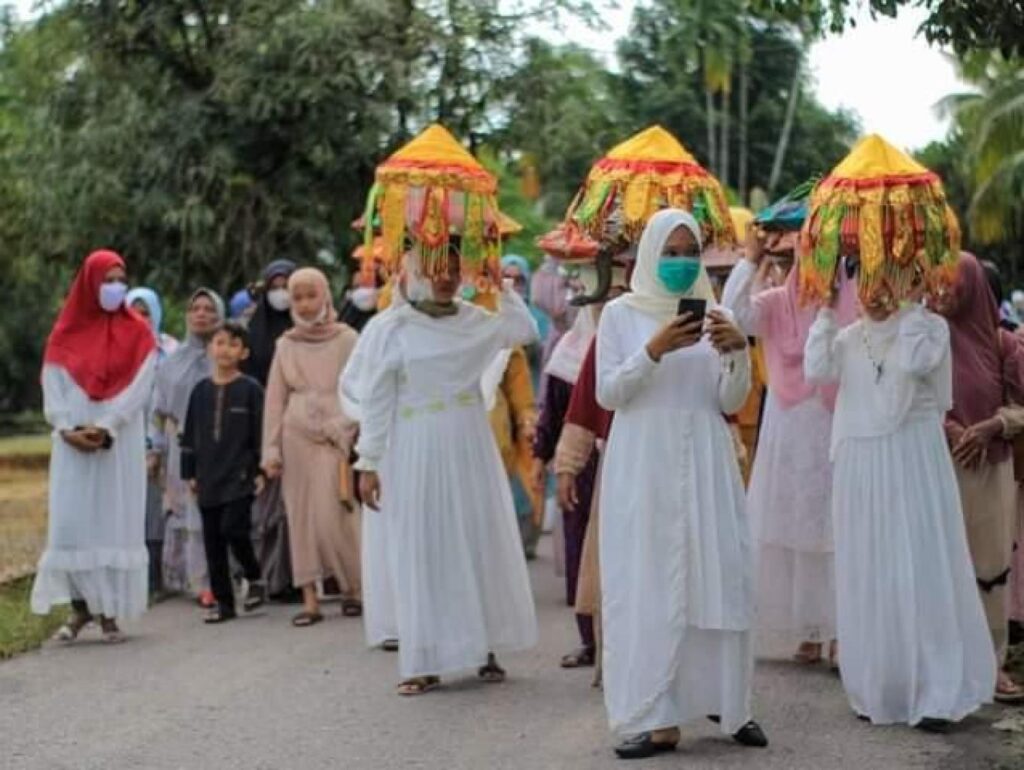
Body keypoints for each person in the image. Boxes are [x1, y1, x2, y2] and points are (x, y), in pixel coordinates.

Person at [596, 209, 766, 760]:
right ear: (647, 254)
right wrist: (654, 349)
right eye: (668, 251)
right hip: (644, 462)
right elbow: (608, 394)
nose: (679, 262)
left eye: (688, 250)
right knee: (650, 579)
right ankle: (656, 717)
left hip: (707, 461)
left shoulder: (715, 312)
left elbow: (729, 401)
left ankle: (729, 703)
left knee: (719, 574)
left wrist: (739, 351)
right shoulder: (621, 314)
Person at [344, 245, 539, 695]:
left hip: (469, 442)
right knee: (423, 545)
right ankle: (423, 658)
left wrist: (501, 286)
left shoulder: (473, 319)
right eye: (436, 269)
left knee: (476, 538)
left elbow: (523, 331)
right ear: (414, 273)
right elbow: (376, 397)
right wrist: (368, 461)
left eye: (454, 269)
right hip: (416, 445)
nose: (447, 277)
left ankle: (485, 645)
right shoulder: (391, 326)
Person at [804, 279, 996, 730]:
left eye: (887, 277)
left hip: (914, 463)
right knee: (872, 569)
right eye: (866, 280)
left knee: (921, 565)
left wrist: (911, 307)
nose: (874, 292)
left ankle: (935, 690)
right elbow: (815, 369)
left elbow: (914, 363)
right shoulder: (848, 337)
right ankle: (883, 684)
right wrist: (828, 311)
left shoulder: (929, 329)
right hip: (860, 464)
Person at [722, 227, 858, 666]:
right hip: (787, 426)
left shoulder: (850, 303)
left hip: (834, 424)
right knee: (794, 527)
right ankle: (808, 630)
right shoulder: (778, 301)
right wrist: (749, 258)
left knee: (834, 530)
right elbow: (733, 314)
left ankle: (840, 630)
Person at [32, 250, 157, 643]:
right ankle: (79, 607)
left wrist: (106, 427)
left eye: (121, 279)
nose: (115, 287)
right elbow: (53, 386)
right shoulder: (64, 333)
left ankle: (108, 614)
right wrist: (68, 428)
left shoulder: (139, 333)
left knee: (112, 521)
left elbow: (140, 387)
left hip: (116, 444)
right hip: (72, 444)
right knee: (73, 523)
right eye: (107, 279)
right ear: (89, 283)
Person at [931, 253, 1024, 703]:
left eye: (952, 284)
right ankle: (946, 665)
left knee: (990, 568)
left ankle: (992, 665)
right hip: (941, 465)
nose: (942, 292)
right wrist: (951, 430)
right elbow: (917, 399)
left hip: (992, 468)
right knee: (944, 565)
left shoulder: (1003, 345)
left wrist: (991, 427)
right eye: (937, 283)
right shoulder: (927, 340)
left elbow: (1022, 407)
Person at [534, 262, 628, 670]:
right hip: (583, 463)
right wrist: (545, 458)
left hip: (624, 456)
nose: (609, 307)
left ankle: (624, 638)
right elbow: (556, 413)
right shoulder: (569, 351)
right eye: (603, 300)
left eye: (617, 299)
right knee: (582, 548)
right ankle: (589, 637)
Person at [262, 267, 363, 626]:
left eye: (311, 296)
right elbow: (275, 400)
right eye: (298, 298)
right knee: (300, 516)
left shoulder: (347, 339)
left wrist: (345, 426)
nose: (305, 305)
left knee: (338, 513)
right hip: (297, 438)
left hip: (335, 436)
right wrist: (270, 451)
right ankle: (310, 597)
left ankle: (354, 588)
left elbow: (360, 390)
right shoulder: (286, 344)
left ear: (326, 296)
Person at [180, 322, 267, 623]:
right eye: (219, 342)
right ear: (209, 349)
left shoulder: (251, 390)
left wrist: (261, 470)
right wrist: (189, 472)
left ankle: (254, 574)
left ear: (243, 352)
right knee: (213, 541)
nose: (225, 349)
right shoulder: (200, 391)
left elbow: (260, 433)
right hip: (208, 476)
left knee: (234, 529)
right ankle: (224, 604)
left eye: (233, 344)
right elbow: (189, 434)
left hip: (240, 475)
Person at [154, 288, 225, 605]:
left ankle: (220, 577)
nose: (201, 314)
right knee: (187, 513)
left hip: (219, 446)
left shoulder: (225, 355)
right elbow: (158, 411)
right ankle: (198, 581)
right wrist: (154, 449)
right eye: (195, 308)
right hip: (180, 447)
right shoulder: (172, 361)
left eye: (209, 309)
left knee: (215, 512)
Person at [245, 259, 299, 600]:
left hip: (307, 427)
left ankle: (305, 576)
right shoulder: (255, 332)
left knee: (301, 507)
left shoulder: (312, 328)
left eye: (287, 286)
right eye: (275, 286)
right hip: (266, 427)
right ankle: (273, 579)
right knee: (270, 511)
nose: (281, 294)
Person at [125, 287, 179, 597]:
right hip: (123, 434)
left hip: (162, 435)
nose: (140, 319)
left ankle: (160, 577)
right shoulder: (116, 348)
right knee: (131, 508)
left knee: (158, 507)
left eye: (145, 312)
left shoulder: (170, 349)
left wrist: (154, 444)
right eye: (133, 311)